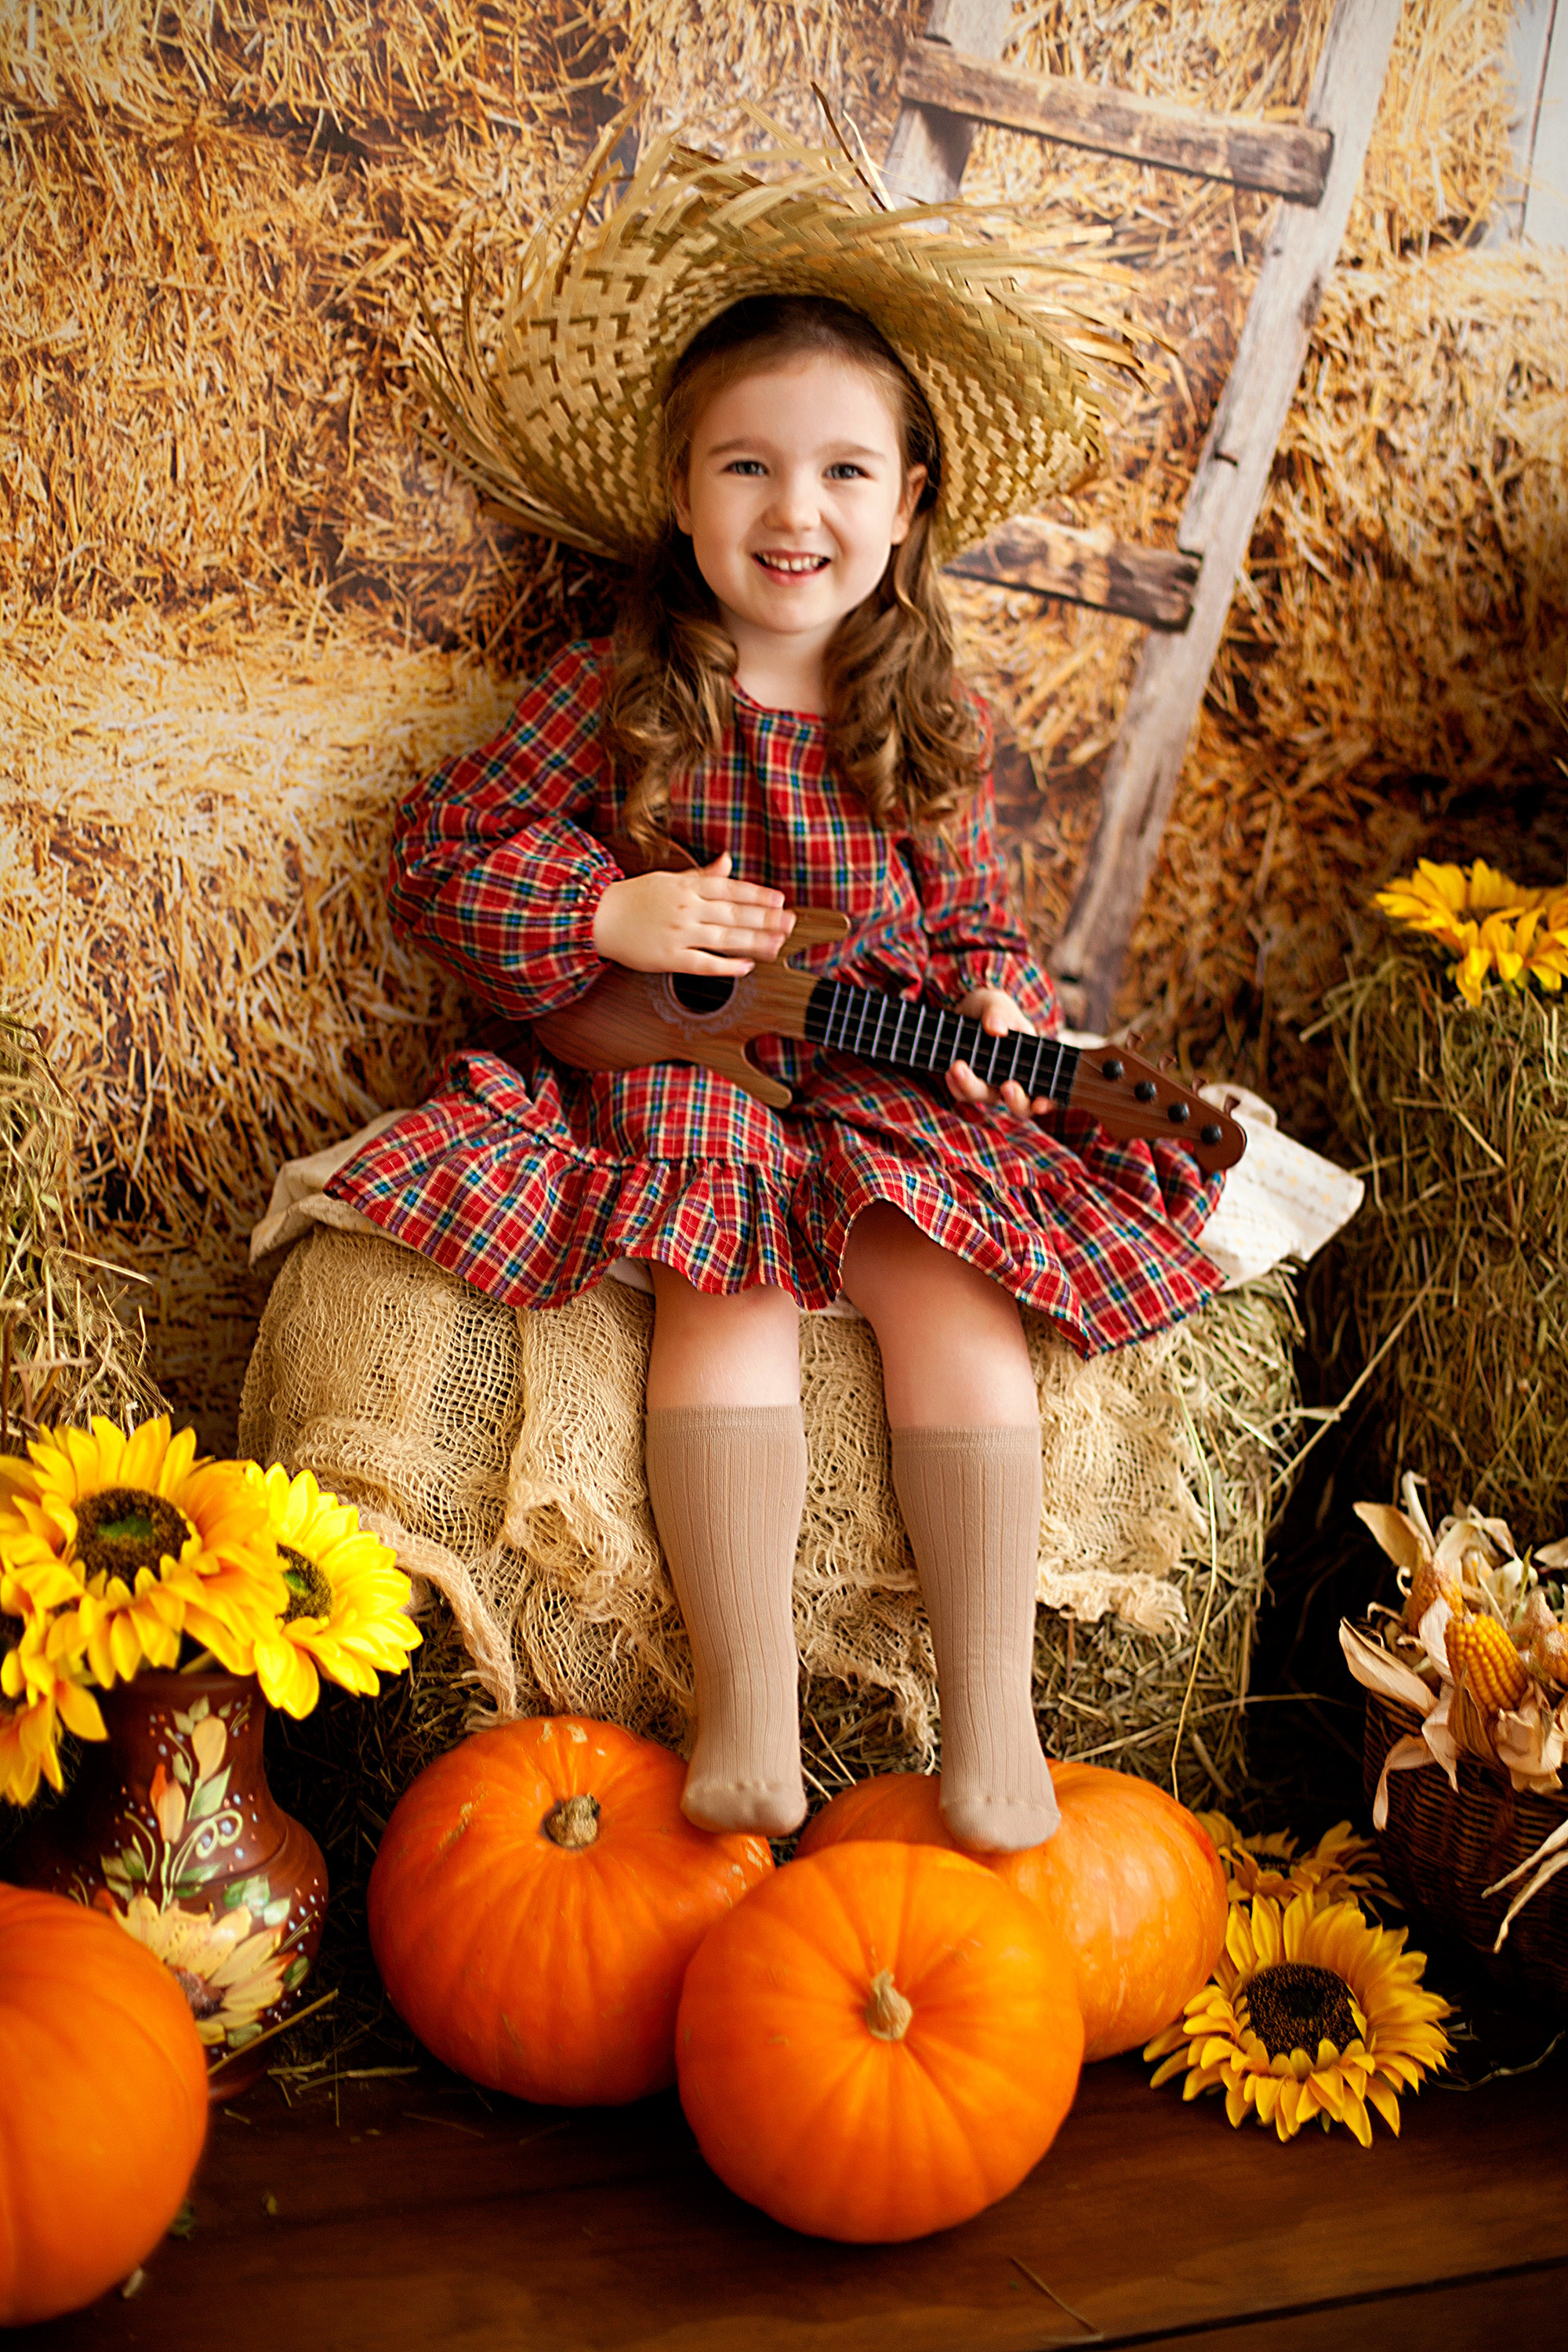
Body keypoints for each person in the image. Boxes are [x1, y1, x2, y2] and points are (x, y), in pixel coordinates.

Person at [327, 130, 1225, 1851]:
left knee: (952, 1301)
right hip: (681, 1077)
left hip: (873, 1078)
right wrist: (614, 904)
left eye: (839, 475)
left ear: (904, 508)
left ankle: (991, 1730)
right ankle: (745, 1717)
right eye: (745, 468)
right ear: (680, 493)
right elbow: (442, 854)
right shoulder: (624, 689)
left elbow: (968, 938)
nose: (791, 513)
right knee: (724, 1284)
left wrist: (995, 1031)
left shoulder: (922, 730)